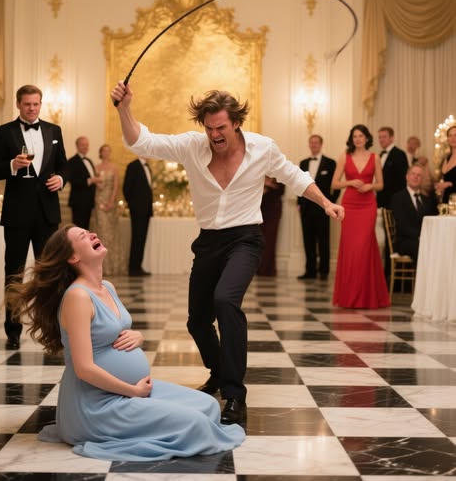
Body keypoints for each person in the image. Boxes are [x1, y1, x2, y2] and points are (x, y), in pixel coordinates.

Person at [110, 82, 344, 424]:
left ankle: (235, 395)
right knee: (197, 321)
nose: (214, 135)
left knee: (226, 301)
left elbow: (294, 176)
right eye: (209, 128)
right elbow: (141, 141)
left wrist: (325, 203)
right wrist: (124, 109)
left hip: (245, 239)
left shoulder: (262, 148)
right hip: (208, 242)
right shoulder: (192, 146)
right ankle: (219, 372)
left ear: (236, 123)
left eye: (220, 128)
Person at [6, 224, 246, 461]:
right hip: (96, 405)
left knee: (208, 406)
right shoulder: (77, 296)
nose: (92, 234)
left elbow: (112, 330)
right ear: (73, 257)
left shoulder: (107, 287)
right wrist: (134, 391)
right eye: (83, 236)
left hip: (129, 392)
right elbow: (83, 368)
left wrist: (138, 336)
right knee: (196, 424)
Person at [0, 84, 67, 350]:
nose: (32, 108)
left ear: (40, 104)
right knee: (14, 272)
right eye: (27, 104)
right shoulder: (3, 132)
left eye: (35, 104)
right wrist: (12, 165)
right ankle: (12, 330)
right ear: (18, 104)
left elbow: (63, 166)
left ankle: (52, 330)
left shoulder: (54, 131)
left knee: (50, 273)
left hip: (47, 214)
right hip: (17, 214)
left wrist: (61, 179)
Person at [332, 124, 390, 309]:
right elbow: (334, 183)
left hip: (368, 206)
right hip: (349, 205)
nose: (357, 139)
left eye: (361, 136)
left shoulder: (375, 158)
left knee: (364, 248)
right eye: (355, 136)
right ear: (352, 139)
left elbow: (381, 184)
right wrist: (350, 182)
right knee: (351, 250)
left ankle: (367, 296)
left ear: (367, 138)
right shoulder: (344, 156)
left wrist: (369, 186)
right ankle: (349, 296)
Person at [297, 134, 340, 280]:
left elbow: (336, 186)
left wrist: (330, 202)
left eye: (316, 143)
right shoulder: (303, 163)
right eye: (311, 142)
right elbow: (298, 184)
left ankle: (324, 271)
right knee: (308, 240)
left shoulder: (330, 163)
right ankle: (310, 271)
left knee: (323, 240)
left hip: (323, 208)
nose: (313, 145)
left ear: (321, 144)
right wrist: (299, 203)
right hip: (306, 208)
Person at [390, 165, 437, 264]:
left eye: (419, 175)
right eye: (413, 174)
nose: (416, 177)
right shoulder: (398, 198)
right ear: (407, 177)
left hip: (423, 239)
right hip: (405, 241)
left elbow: (433, 221)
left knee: (439, 245)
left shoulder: (427, 200)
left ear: (422, 179)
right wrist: (421, 236)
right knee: (422, 247)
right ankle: (422, 274)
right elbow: (402, 225)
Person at [94, 144, 125, 275]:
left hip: (111, 202)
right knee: (102, 231)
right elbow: (95, 185)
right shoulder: (96, 167)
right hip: (99, 201)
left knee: (112, 233)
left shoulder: (114, 167)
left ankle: (113, 266)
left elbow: (116, 186)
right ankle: (102, 267)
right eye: (104, 151)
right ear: (101, 153)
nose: (106, 153)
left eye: (108, 151)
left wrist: (112, 201)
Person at [123, 156, 153, 277]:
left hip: (146, 209)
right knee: (137, 238)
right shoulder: (133, 166)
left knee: (141, 239)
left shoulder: (147, 167)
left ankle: (137, 266)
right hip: (137, 210)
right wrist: (133, 206)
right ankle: (133, 268)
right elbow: (126, 188)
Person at [66, 136, 100, 229]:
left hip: (89, 200)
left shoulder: (89, 160)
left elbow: (92, 177)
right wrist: (90, 180)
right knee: (78, 228)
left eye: (87, 145)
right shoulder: (71, 161)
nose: (85, 147)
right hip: (78, 201)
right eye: (83, 145)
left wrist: (96, 181)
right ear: (77, 146)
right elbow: (71, 180)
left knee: (86, 227)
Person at [256, 176, 285, 277]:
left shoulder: (278, 173)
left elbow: (281, 191)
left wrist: (267, 185)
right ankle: (260, 268)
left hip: (273, 210)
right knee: (260, 240)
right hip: (259, 209)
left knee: (270, 240)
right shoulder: (259, 172)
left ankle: (268, 269)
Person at [376, 126, 408, 209]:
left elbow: (403, 180)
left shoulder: (399, 154)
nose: (381, 140)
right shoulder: (380, 155)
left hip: (394, 200)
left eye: (384, 137)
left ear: (392, 138)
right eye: (380, 137)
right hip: (381, 199)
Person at [435, 124, 456, 203]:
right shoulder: (446, 158)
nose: (453, 138)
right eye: (450, 135)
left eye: (455, 135)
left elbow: (449, 182)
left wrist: (450, 184)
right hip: (446, 199)